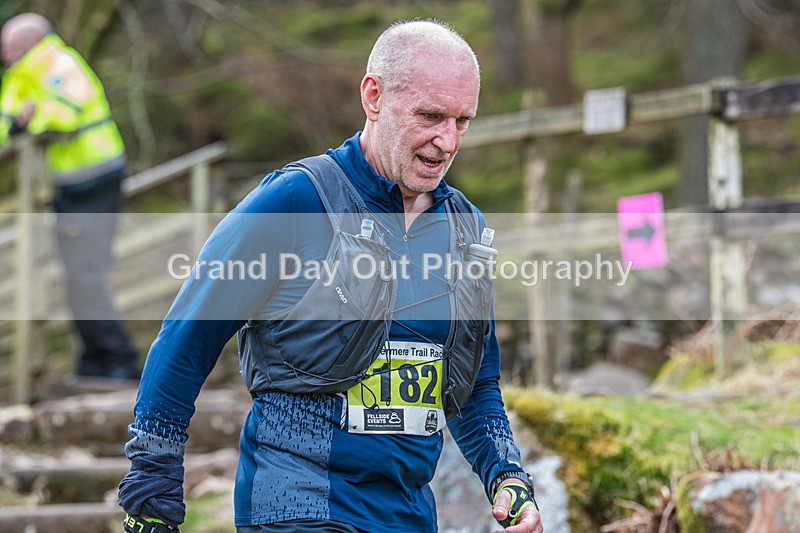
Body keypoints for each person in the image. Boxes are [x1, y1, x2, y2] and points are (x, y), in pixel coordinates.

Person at [118, 19, 543, 533]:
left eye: (463, 120)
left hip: (407, 514)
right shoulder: (295, 202)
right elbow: (187, 337)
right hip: (298, 506)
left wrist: (507, 476)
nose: (447, 140)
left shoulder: (464, 229)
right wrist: (152, 484)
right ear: (373, 96)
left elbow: (475, 381)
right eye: (431, 116)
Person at [0, 13, 140, 381]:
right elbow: (6, 125)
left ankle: (119, 360)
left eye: (9, 44)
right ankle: (94, 362)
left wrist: (30, 118)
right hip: (65, 186)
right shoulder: (19, 76)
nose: (4, 52)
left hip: (95, 180)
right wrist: (20, 121)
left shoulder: (60, 63)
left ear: (31, 41)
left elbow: (66, 114)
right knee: (74, 277)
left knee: (87, 275)